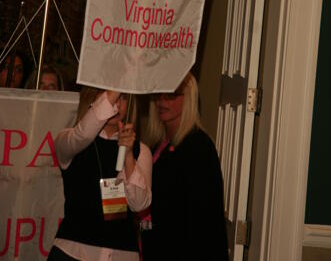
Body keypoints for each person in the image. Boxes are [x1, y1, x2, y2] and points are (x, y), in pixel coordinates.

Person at [48, 86, 152, 261]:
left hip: (122, 253)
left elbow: (139, 204)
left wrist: (127, 155)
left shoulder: (140, 150)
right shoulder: (67, 139)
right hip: (73, 251)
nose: (117, 104)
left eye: (124, 97)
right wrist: (120, 82)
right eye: (111, 95)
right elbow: (83, 134)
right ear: (92, 100)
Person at [142, 72, 229, 261]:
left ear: (188, 98)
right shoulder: (155, 144)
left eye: (171, 95)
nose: (162, 102)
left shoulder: (198, 146)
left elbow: (204, 220)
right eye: (158, 94)